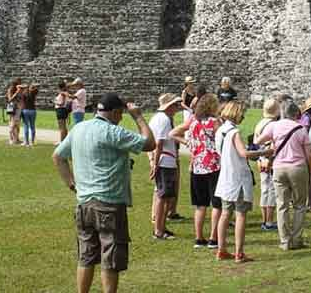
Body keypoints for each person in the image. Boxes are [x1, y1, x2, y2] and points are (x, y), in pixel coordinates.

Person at [52, 93, 155, 293]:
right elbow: (150, 143)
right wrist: (138, 117)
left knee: (86, 257)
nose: (121, 118)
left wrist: (72, 184)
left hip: (84, 203)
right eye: (121, 114)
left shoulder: (79, 128)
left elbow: (58, 157)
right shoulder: (113, 132)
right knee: (111, 258)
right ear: (115, 112)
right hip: (110, 204)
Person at [214, 101, 273, 262]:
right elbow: (244, 153)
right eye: (242, 114)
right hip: (238, 178)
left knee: (225, 213)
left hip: (226, 177)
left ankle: (221, 249)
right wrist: (266, 151)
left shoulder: (220, 130)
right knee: (240, 215)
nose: (243, 117)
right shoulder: (234, 132)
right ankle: (239, 253)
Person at [256, 98, 311, 251]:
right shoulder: (300, 129)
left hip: (279, 168)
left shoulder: (274, 126)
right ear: (295, 114)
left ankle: (285, 241)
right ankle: (297, 239)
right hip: (297, 167)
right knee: (299, 205)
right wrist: (310, 171)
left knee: (282, 205)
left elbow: (258, 140)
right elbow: (309, 155)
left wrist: (271, 146)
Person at [170, 93, 222, 249]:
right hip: (214, 165)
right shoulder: (214, 122)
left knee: (200, 204)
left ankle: (199, 238)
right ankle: (213, 238)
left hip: (197, 166)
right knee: (217, 204)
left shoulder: (193, 121)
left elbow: (173, 133)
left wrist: (190, 143)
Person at [148, 93, 182, 240]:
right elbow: (159, 143)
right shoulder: (164, 120)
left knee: (165, 196)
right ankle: (159, 230)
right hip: (165, 162)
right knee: (163, 197)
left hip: (165, 160)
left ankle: (161, 227)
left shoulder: (157, 118)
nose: (177, 108)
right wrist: (156, 164)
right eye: (175, 105)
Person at [253, 97, 280, 231]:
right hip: (270, 159)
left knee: (265, 189)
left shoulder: (260, 123)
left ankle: (265, 219)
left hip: (261, 159)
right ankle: (269, 221)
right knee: (272, 190)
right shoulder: (273, 125)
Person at [5, 78, 22, 145]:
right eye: (19, 82)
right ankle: (11, 139)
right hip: (12, 108)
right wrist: (17, 92)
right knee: (12, 124)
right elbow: (10, 99)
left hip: (18, 108)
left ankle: (17, 139)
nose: (20, 84)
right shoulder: (10, 90)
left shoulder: (19, 90)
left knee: (17, 125)